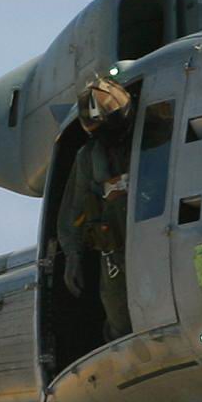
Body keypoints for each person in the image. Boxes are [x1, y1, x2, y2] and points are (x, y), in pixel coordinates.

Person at [57, 74, 134, 341]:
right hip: (116, 254)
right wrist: (73, 256)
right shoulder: (90, 157)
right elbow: (73, 210)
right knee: (119, 319)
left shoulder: (153, 136)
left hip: (153, 240)